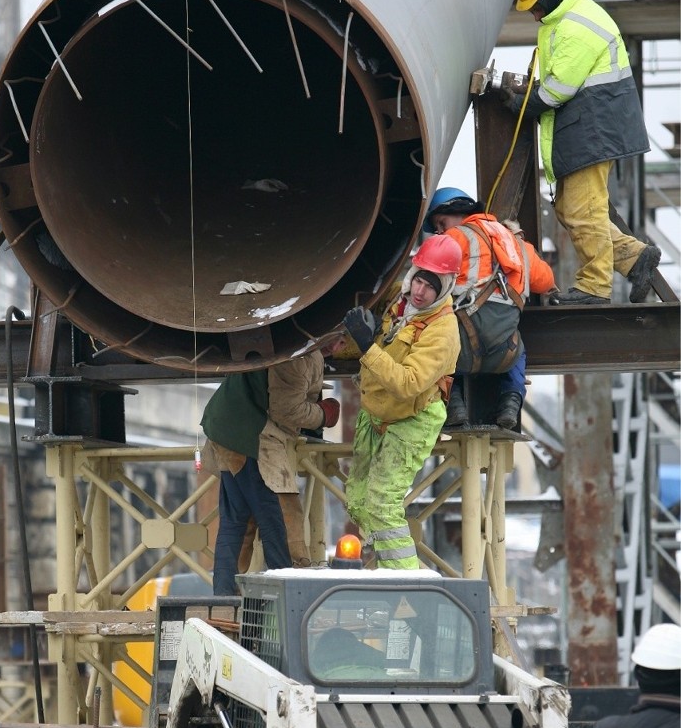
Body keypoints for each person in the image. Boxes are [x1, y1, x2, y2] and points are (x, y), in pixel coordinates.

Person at [507, 0, 658, 306]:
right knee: (568, 208)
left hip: (594, 130)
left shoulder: (576, 25)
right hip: (589, 128)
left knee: (582, 212)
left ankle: (594, 287)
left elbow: (558, 88)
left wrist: (522, 104)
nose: (533, 15)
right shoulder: (567, 18)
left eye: (534, 7)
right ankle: (634, 258)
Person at [340, 234, 460, 568]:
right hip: (376, 412)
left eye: (431, 286)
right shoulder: (400, 302)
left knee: (382, 503)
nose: (420, 292)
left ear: (445, 288)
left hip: (413, 418)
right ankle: (386, 569)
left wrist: (367, 346)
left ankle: (406, 584)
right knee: (359, 502)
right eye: (419, 280)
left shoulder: (443, 331)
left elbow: (408, 383)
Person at [201, 352, 341, 595]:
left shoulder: (284, 339)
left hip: (223, 428)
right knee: (280, 518)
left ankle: (224, 599)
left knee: (236, 521)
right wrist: (323, 415)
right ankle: (288, 592)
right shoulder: (299, 355)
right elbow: (286, 409)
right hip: (251, 433)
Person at [424, 188, 557, 429]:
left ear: (459, 211)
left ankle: (453, 403)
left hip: (458, 352)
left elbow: (425, 281)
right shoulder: (518, 244)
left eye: (441, 223)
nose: (440, 232)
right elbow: (546, 281)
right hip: (503, 355)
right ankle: (511, 401)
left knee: (427, 335)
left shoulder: (454, 239)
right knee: (518, 344)